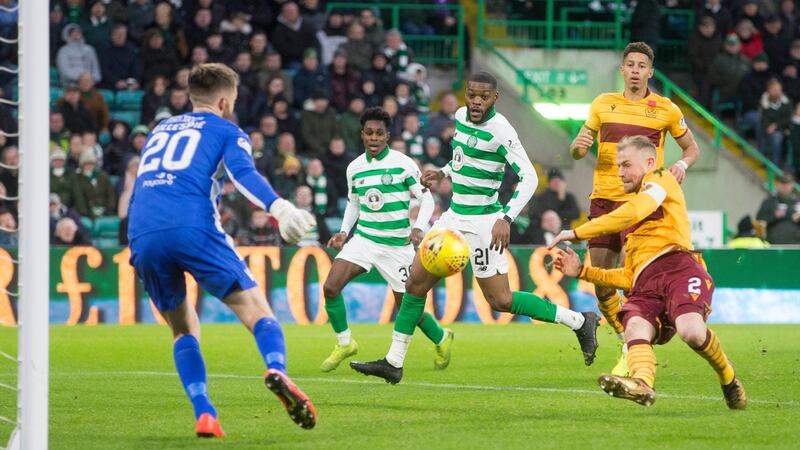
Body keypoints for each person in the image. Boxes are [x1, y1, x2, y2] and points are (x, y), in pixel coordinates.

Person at [350, 72, 599, 384]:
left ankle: (579, 321)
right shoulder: (460, 116)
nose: (476, 102)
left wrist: (505, 218)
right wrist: (442, 171)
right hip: (453, 218)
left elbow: (529, 178)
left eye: (483, 97)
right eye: (472, 95)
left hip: (484, 223)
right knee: (414, 284)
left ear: (495, 98)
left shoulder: (501, 131)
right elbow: (462, 159)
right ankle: (393, 361)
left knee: (501, 300)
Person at [127, 63, 318, 437]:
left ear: (190, 96)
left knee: (183, 330)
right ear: (225, 101)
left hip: (142, 231)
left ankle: (205, 413)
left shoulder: (160, 129)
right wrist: (281, 208)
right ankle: (277, 368)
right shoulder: (226, 129)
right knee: (255, 308)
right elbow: (243, 173)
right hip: (192, 225)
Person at [549, 135, 747, 410]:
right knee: (634, 327)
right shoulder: (629, 224)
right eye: (618, 166)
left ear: (649, 161)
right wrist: (583, 271)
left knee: (691, 331)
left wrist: (577, 232)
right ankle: (642, 384)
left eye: (626, 165)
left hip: (679, 268)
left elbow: (638, 209)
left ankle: (728, 377)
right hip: (645, 284)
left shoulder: (660, 177)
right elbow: (629, 276)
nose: (620, 173)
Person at [569, 42, 701, 376]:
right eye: (630, 65)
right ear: (622, 69)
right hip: (602, 200)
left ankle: (634, 350)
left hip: (637, 205)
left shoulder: (666, 109)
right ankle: (624, 339)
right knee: (601, 284)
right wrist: (577, 148)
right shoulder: (603, 104)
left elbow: (692, 148)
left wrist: (682, 165)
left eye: (642, 65)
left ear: (650, 72)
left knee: (637, 283)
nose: (635, 70)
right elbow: (578, 149)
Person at [321, 107, 450, 373]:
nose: (374, 138)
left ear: (388, 136)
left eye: (379, 133)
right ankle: (345, 343)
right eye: (369, 133)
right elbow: (353, 204)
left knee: (407, 308)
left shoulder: (403, 164)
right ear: (362, 135)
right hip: (364, 240)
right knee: (331, 287)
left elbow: (426, 198)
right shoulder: (354, 168)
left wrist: (419, 227)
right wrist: (345, 232)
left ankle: (441, 337)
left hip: (397, 246)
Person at [756, 172, 800, 244]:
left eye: (788, 184)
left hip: (795, 244)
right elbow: (759, 220)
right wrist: (774, 215)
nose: (785, 187)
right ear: (778, 184)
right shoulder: (769, 201)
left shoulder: (798, 202)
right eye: (783, 184)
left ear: (792, 185)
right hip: (774, 243)